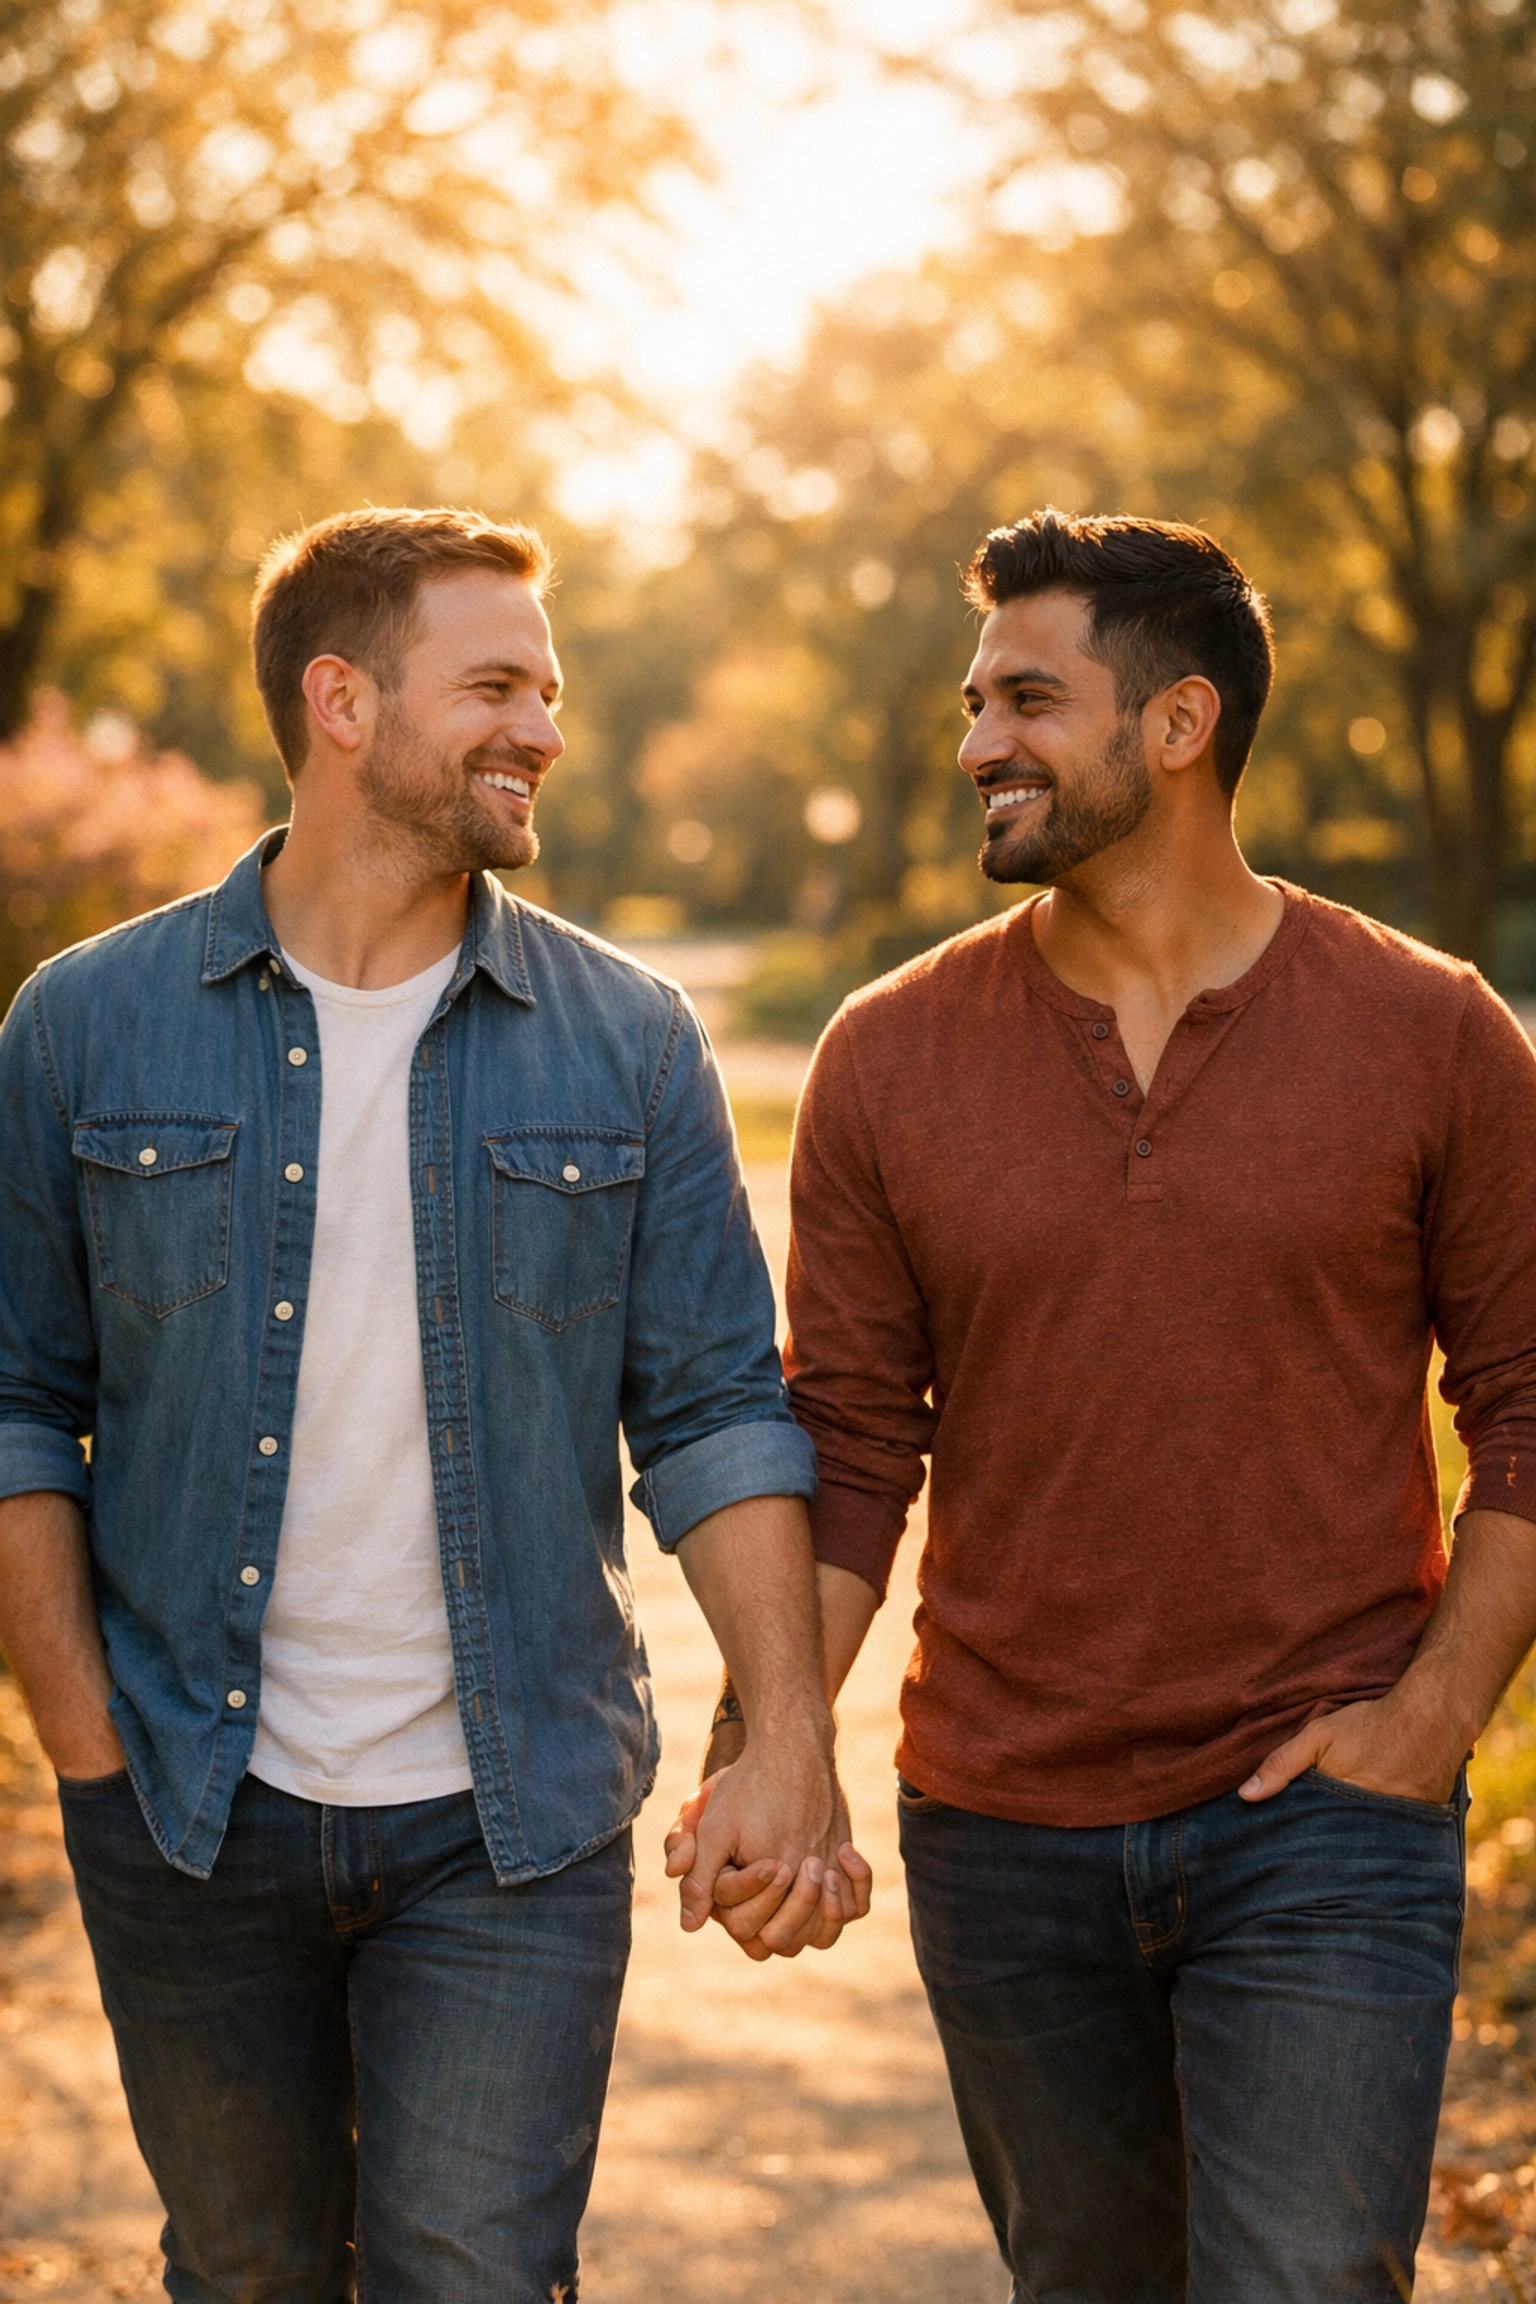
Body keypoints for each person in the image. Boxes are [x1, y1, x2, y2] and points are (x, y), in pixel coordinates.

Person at [0, 505, 868, 2303]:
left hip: (512, 1813)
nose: (542, 729)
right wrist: (83, 1739)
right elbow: (19, 1399)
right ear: (342, 701)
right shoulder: (86, 1026)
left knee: (474, 2273)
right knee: (244, 2270)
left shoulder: (628, 1039)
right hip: (184, 1798)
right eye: (495, 687)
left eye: (548, 693)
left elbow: (715, 1410)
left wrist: (787, 1733)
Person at [682, 511, 1536, 2297]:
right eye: (975, 704)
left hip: (1324, 1813)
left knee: (1308, 2281)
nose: (978, 744)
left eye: (1026, 700)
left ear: (1179, 723)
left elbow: (1528, 1409)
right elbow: (852, 1441)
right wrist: (775, 1741)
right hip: (1003, 1831)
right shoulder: (889, 1054)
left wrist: (1430, 1720)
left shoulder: (1434, 1033)